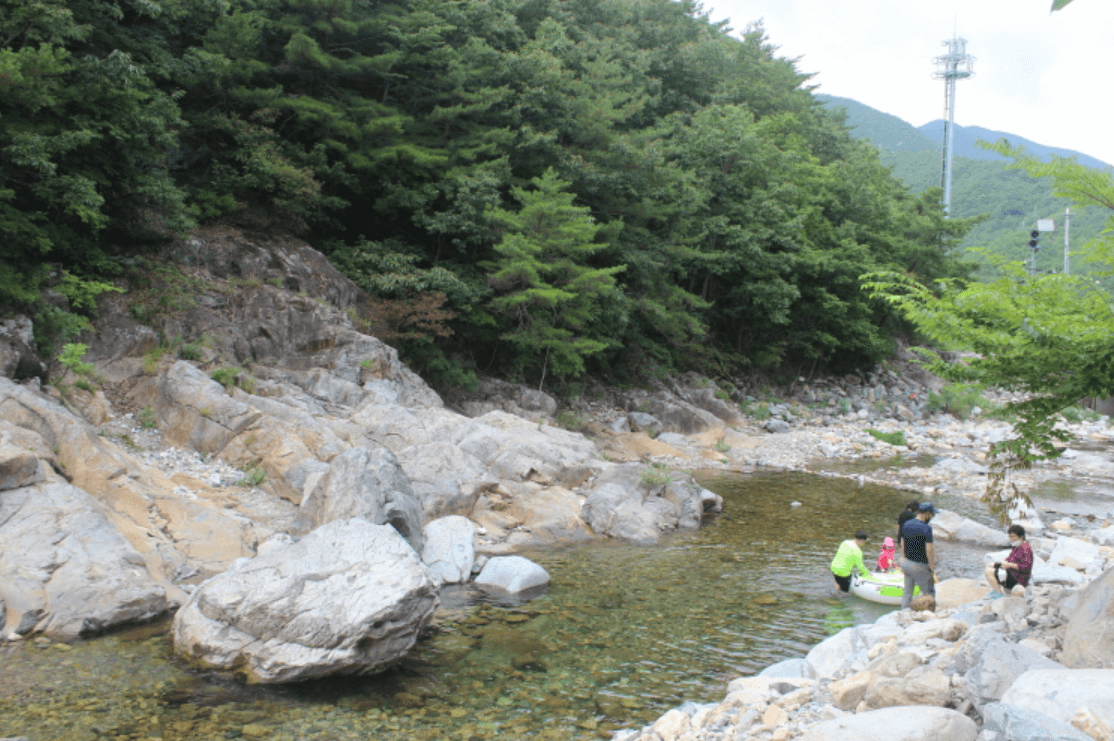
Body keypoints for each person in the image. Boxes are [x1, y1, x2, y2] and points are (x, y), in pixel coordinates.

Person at [900, 502, 937, 610]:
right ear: (926, 514)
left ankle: (904, 611)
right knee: (929, 592)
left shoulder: (906, 524)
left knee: (907, 592)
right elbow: (929, 548)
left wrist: (902, 557)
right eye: (932, 514)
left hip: (906, 563)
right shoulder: (926, 528)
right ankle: (929, 614)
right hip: (919, 565)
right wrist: (931, 565)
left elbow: (903, 542)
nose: (932, 517)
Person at [984, 524, 1033, 597]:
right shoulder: (1017, 547)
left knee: (988, 571)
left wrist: (1009, 565)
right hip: (1013, 573)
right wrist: (998, 565)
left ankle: (999, 594)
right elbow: (1008, 560)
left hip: (1019, 579)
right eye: (1009, 536)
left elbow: (1027, 567)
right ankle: (996, 590)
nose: (1010, 539)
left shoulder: (1026, 549)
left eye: (1013, 536)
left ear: (1021, 536)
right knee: (992, 566)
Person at [830, 530, 872, 594]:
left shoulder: (845, 542)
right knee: (845, 592)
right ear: (862, 541)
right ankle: (838, 601)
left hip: (834, 567)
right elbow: (860, 567)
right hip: (843, 572)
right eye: (864, 542)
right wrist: (868, 573)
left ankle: (835, 592)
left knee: (838, 581)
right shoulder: (857, 551)